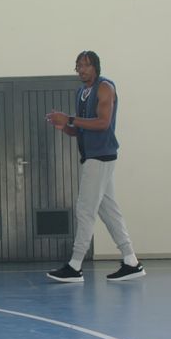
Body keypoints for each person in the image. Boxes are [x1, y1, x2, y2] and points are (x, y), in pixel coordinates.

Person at [45, 50, 144, 283]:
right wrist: (63, 126)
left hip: (100, 157)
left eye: (85, 65)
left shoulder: (105, 87)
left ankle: (75, 265)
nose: (81, 69)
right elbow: (80, 128)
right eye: (77, 66)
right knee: (108, 211)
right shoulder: (81, 92)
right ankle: (131, 261)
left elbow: (102, 123)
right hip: (92, 156)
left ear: (95, 67)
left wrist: (69, 119)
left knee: (85, 209)